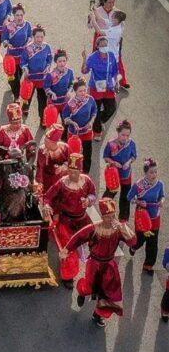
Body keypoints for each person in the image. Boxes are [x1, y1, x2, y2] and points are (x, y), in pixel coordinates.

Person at [60, 197, 135, 326]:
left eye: (113, 216)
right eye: (108, 216)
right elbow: (78, 237)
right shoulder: (94, 228)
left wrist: (123, 228)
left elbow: (133, 242)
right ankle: (81, 291)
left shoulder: (118, 229)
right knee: (89, 287)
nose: (111, 219)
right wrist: (66, 250)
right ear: (102, 216)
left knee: (110, 292)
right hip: (94, 264)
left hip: (110, 265)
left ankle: (98, 315)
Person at [43, 150, 97, 287]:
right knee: (68, 248)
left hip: (82, 220)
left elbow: (93, 194)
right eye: (71, 171)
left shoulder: (87, 181)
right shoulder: (62, 183)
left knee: (91, 245)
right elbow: (48, 197)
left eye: (76, 171)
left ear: (80, 171)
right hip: (65, 221)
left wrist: (89, 200)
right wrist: (47, 206)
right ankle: (67, 276)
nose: (73, 174)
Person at [128, 157, 165, 274]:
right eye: (151, 172)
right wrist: (138, 202)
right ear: (145, 172)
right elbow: (129, 197)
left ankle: (148, 265)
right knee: (140, 240)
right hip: (143, 217)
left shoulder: (159, 184)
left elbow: (162, 196)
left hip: (155, 218)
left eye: (155, 172)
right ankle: (134, 247)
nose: (154, 174)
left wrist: (162, 201)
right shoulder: (138, 185)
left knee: (153, 243)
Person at [103, 119, 137, 222]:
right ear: (118, 132)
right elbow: (105, 157)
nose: (125, 138)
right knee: (109, 194)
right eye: (123, 135)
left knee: (125, 197)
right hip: (114, 175)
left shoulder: (131, 144)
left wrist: (129, 162)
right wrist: (113, 163)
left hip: (126, 175)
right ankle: (106, 213)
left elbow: (134, 156)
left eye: (127, 135)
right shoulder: (110, 144)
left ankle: (123, 219)